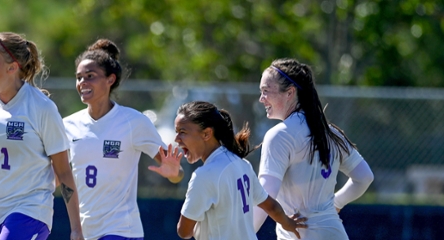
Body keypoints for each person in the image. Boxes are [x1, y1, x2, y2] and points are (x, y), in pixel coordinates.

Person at [0, 32, 83, 240]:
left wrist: (77, 229)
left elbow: (64, 171)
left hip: (31, 210)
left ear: (12, 67)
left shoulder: (42, 108)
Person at [63, 39, 184, 240]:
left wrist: (174, 173)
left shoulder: (133, 122)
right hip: (85, 232)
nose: (82, 83)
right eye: (79, 77)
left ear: (110, 79)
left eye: (90, 76)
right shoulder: (68, 125)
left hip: (121, 230)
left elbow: (176, 173)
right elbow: (60, 176)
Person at [252, 58, 374, 239]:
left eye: (266, 91)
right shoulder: (330, 132)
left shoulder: (279, 135)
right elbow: (364, 177)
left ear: (289, 93)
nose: (261, 99)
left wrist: (241, 233)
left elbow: (266, 196)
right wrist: (336, 204)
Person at [158, 101, 307, 240]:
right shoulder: (242, 164)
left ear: (206, 134)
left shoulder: (203, 176)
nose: (177, 138)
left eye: (182, 131)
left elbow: (184, 232)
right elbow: (271, 206)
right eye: (176, 131)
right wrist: (289, 224)